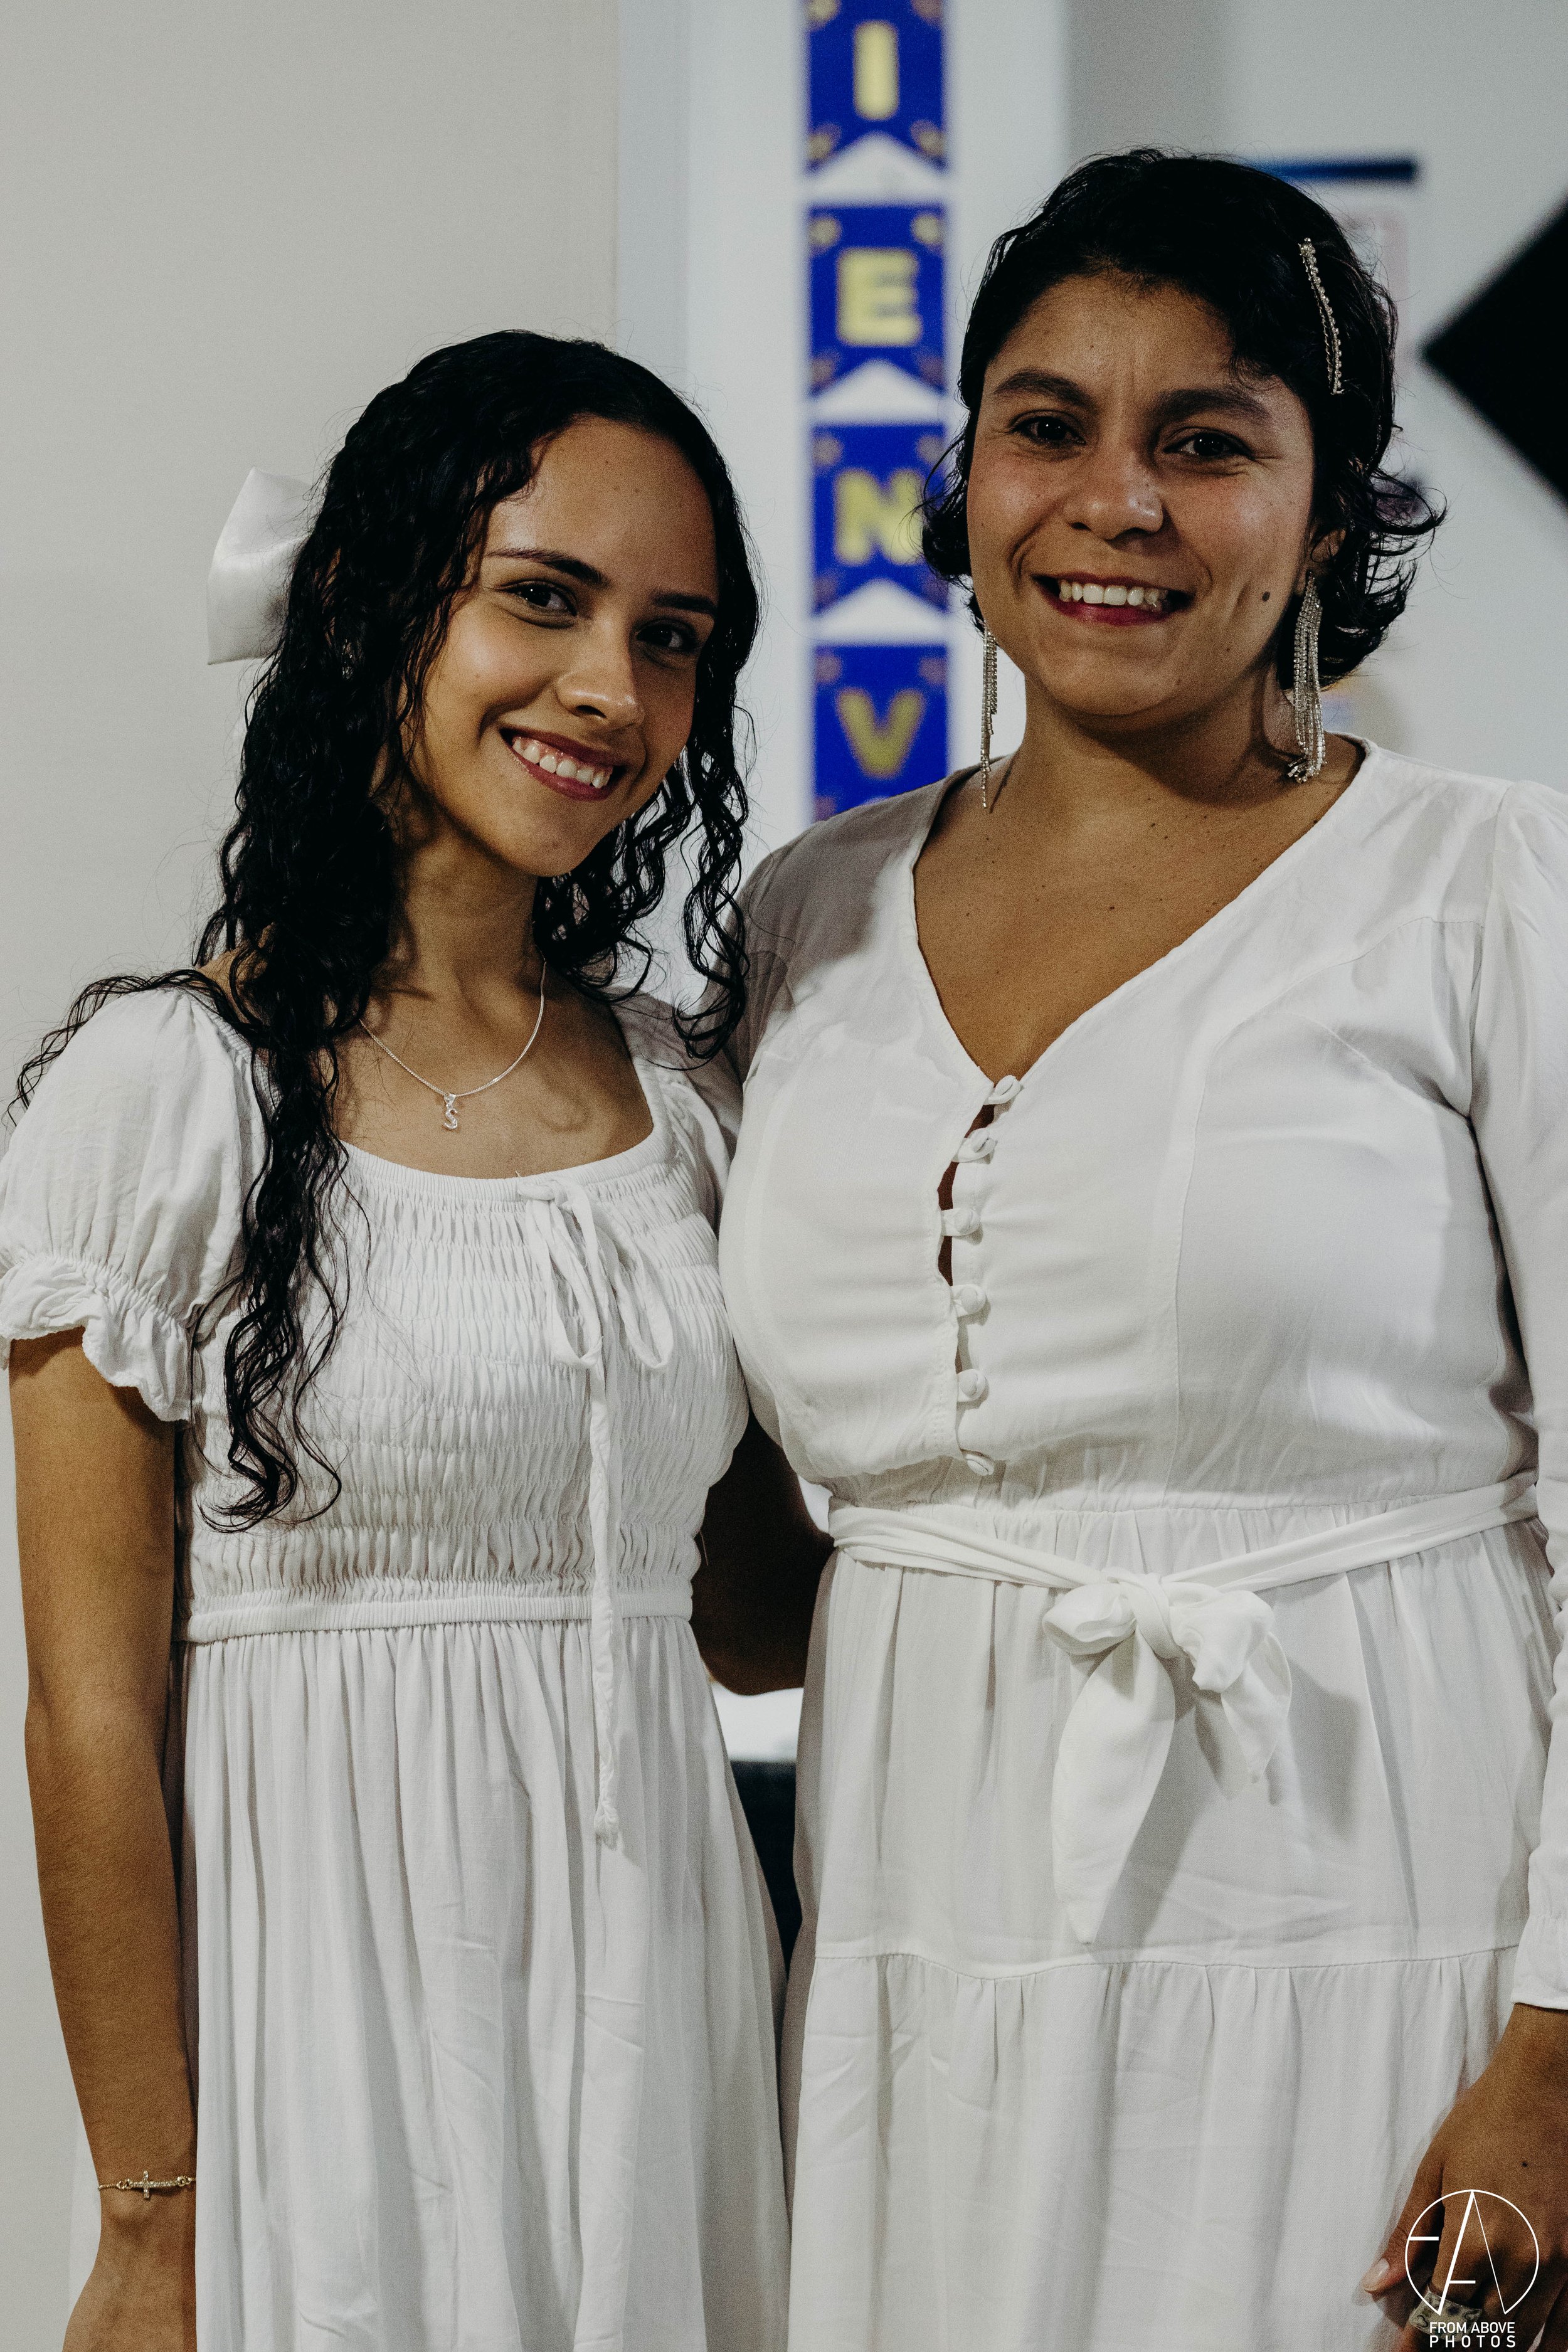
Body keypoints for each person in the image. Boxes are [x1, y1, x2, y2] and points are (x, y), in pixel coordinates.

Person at [702, 154, 1568, 2349]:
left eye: (1208, 440)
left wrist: (1555, 2059)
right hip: (913, 1939)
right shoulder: (801, 916)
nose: (1117, 502)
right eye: (1046, 423)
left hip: (1372, 1922)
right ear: (965, 470)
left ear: (1332, 509)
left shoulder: (1485, 890)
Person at [3, 330, 818, 2351]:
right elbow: (88, 1723)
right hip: (329, 2047)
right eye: (542, 600)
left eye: (674, 636)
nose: (611, 692)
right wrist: (152, 2219)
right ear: (370, 603)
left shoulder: (689, 1105)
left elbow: (748, 1621)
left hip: (666, 2022)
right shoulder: (164, 1092)